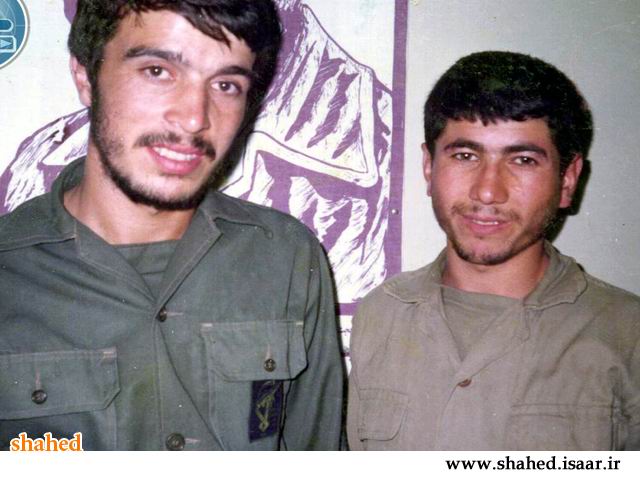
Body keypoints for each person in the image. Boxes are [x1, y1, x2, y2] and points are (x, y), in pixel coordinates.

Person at [0, 0, 343, 451]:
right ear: (86, 76)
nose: (195, 117)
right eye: (158, 71)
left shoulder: (286, 255)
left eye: (225, 84)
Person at [347, 51, 640, 450]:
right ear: (429, 167)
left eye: (523, 160)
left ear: (568, 180)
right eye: (465, 156)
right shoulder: (379, 316)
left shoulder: (627, 335)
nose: (487, 191)